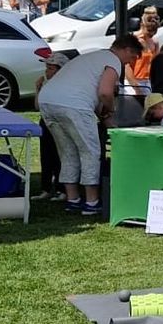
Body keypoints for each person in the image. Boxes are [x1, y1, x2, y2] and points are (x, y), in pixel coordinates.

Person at [35, 32, 142, 216]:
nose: (128, 64)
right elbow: (105, 93)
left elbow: (92, 94)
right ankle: (92, 202)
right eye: (131, 58)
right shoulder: (112, 60)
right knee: (90, 151)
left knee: (67, 152)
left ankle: (73, 199)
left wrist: (104, 115)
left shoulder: (91, 57)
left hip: (47, 101)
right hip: (73, 105)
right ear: (126, 50)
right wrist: (111, 110)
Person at [34, 52, 69, 199]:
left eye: (51, 68)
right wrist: (38, 89)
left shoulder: (67, 86)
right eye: (46, 68)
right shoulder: (46, 85)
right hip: (46, 121)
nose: (47, 71)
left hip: (61, 123)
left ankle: (62, 188)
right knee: (46, 154)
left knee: (60, 154)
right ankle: (46, 188)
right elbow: (37, 106)